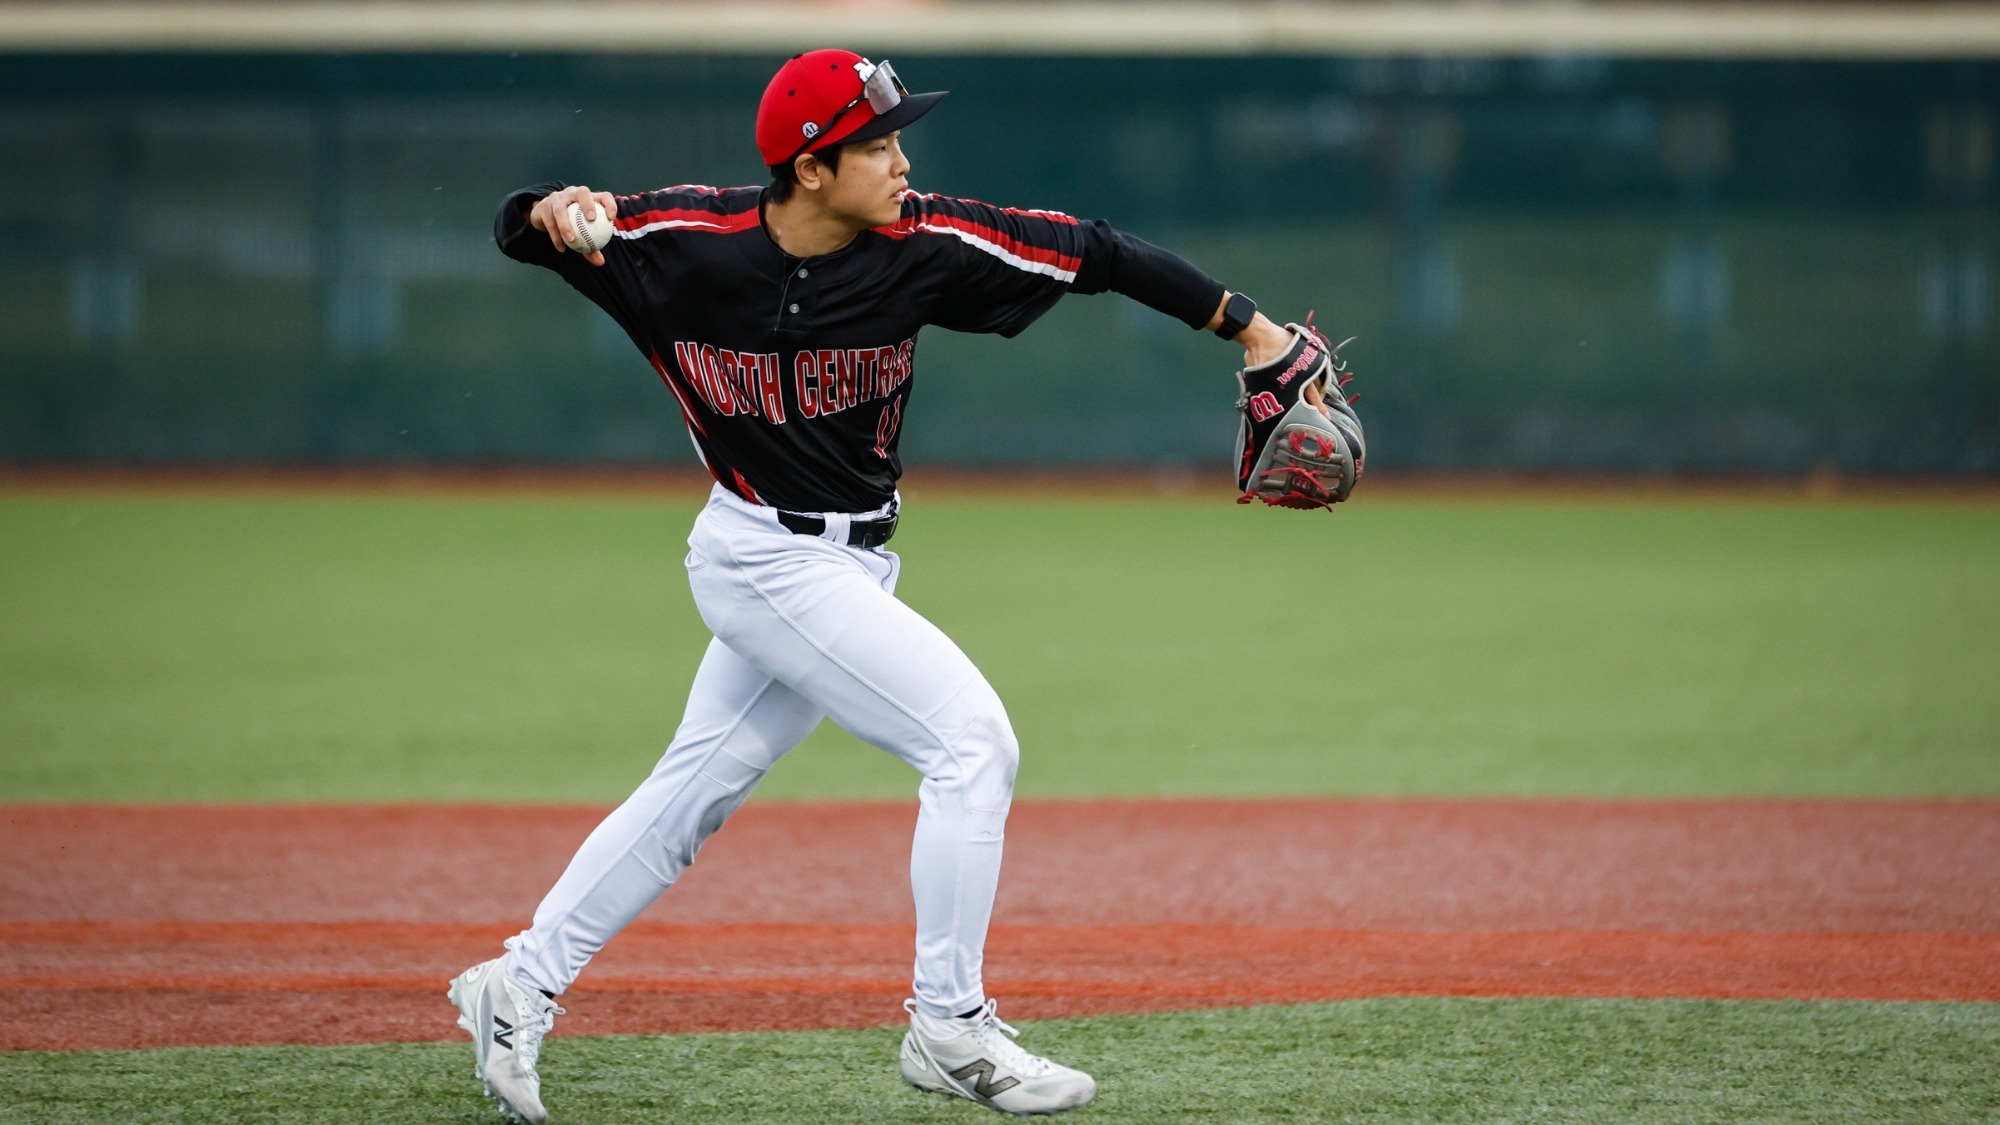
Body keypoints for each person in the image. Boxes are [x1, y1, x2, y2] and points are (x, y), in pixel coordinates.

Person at [449, 48, 1303, 1123]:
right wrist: (549, 209)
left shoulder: (923, 245)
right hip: (760, 554)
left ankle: (515, 984)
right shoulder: (678, 245)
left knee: (687, 799)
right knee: (970, 742)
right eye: (878, 143)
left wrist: (1259, 334)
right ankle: (948, 1028)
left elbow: (1097, 253)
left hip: (848, 561)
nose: (902, 162)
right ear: (810, 167)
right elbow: (522, 227)